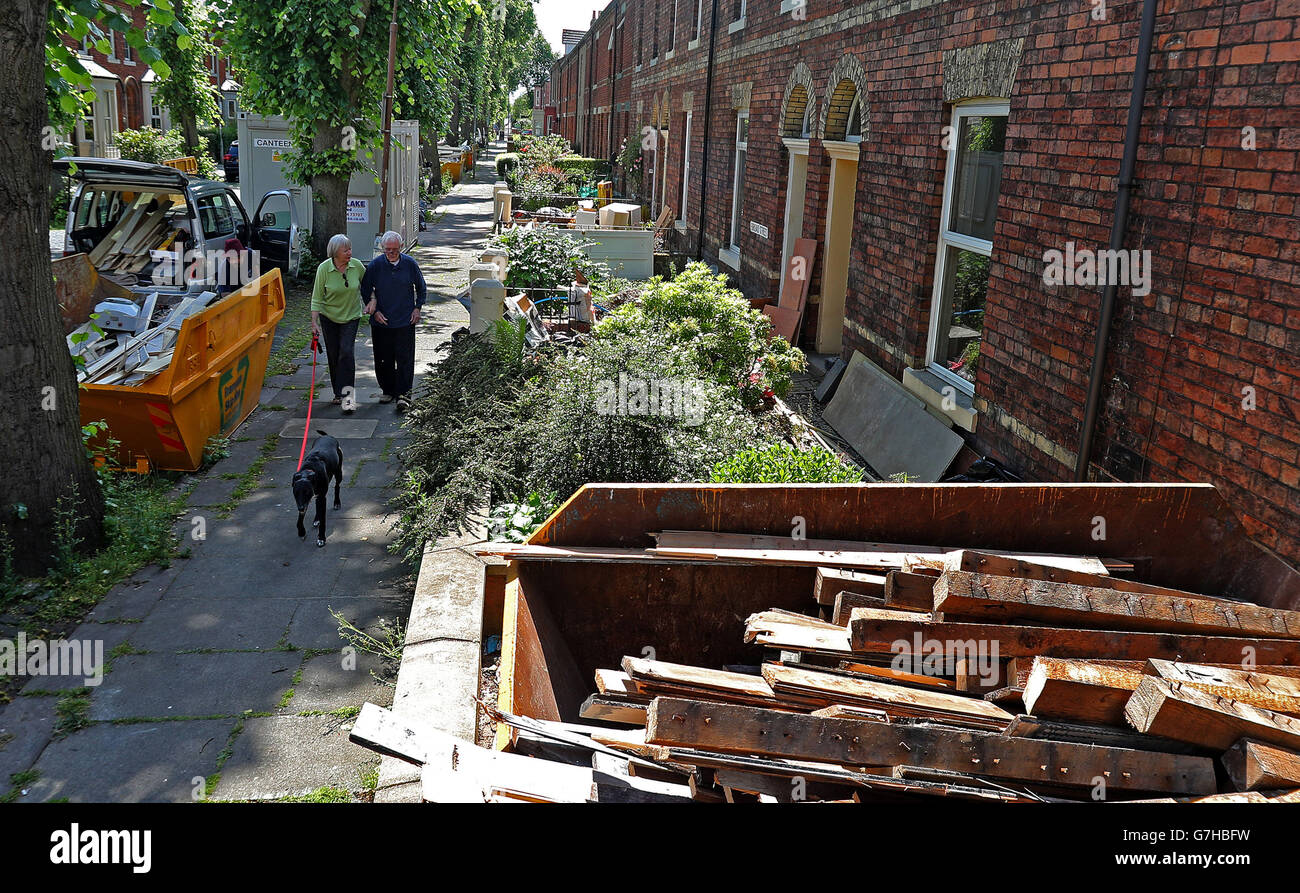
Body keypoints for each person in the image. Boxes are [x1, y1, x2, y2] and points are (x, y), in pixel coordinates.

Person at [360, 231, 426, 413]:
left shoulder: (410, 264)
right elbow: (365, 290)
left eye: (394, 250)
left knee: (405, 359)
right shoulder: (375, 266)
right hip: (382, 321)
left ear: (401, 247)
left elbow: (421, 288)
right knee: (383, 359)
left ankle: (404, 396)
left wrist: (417, 308)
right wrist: (375, 311)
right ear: (382, 249)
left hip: (405, 320)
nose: (391, 253)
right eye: (387, 250)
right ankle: (387, 390)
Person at [311, 234, 367, 413]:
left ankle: (348, 397)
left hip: (351, 317)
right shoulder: (324, 269)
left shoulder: (356, 266)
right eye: (346, 250)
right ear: (335, 252)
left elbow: (368, 286)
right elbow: (317, 297)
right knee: (334, 354)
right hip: (329, 318)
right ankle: (338, 392)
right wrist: (314, 322)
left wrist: (372, 300)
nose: (350, 252)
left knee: (346, 353)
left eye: (350, 249)